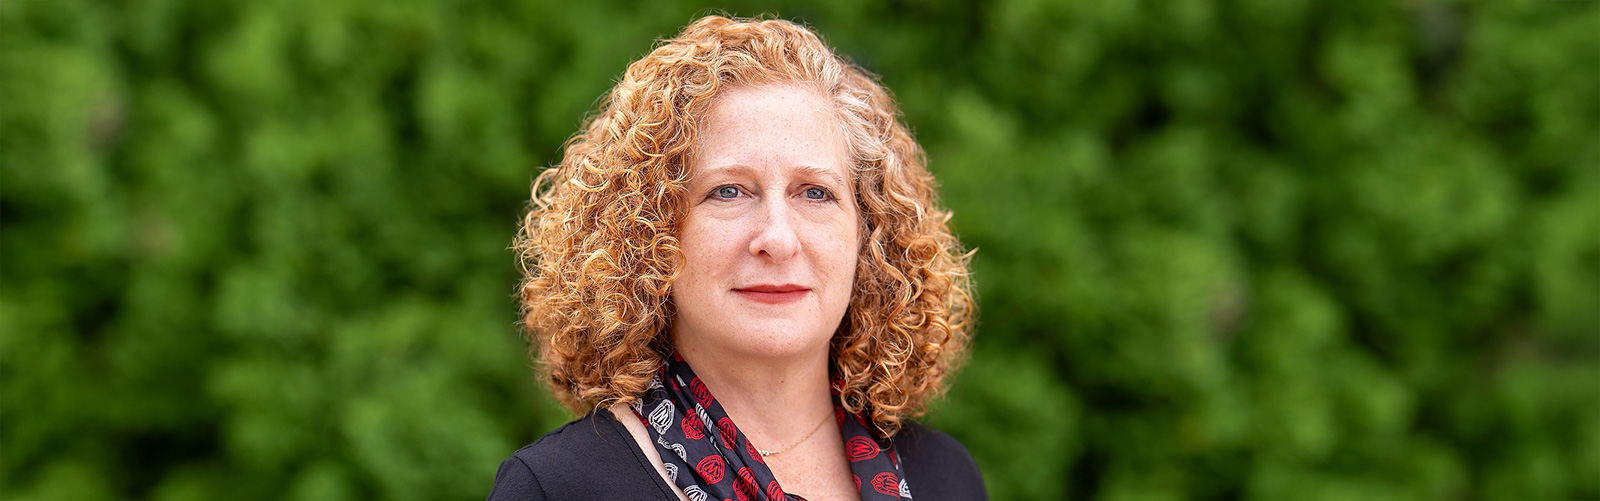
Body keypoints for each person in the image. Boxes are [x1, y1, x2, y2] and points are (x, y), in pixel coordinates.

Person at [489, 15, 983, 501]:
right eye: (728, 191)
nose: (778, 238)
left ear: (869, 234)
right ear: (647, 235)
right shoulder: (560, 489)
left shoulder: (944, 477)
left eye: (814, 193)